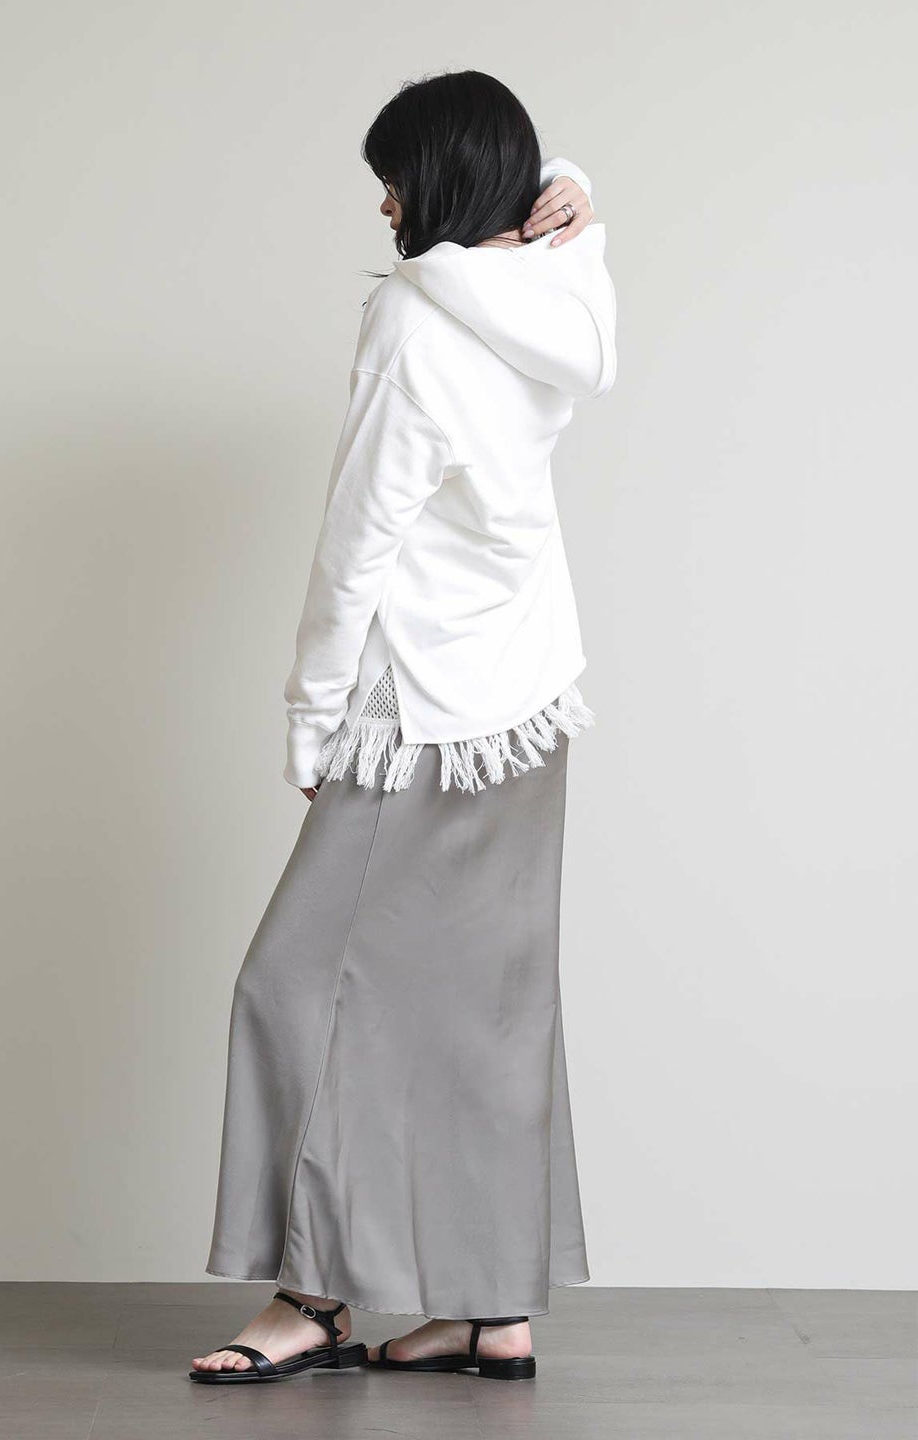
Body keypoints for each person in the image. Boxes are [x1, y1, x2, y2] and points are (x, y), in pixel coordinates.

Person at [189, 68, 617, 1385]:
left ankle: (311, 1299)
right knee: (483, 1011)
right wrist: (572, 184)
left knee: (293, 990)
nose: (383, 205)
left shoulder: (414, 320)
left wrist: (312, 720)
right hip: (529, 699)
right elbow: (577, 238)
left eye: (394, 179)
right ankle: (490, 1312)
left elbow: (358, 540)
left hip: (419, 709)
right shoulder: (562, 288)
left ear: (438, 183)